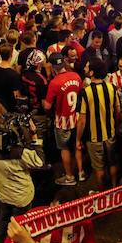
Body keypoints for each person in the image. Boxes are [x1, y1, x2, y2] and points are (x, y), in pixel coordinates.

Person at [0, 100, 45, 243]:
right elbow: (39, 161)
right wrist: (34, 136)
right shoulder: (17, 152)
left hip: (1, 192)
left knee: (4, 218)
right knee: (19, 226)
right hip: (21, 196)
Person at [76, 58, 120, 190]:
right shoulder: (111, 88)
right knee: (112, 163)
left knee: (99, 167)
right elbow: (117, 111)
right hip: (111, 134)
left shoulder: (86, 92)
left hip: (94, 138)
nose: (85, 68)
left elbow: (82, 120)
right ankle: (114, 187)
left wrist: (78, 139)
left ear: (92, 72)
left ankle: (102, 193)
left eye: (87, 66)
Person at [44, 52, 85, 185]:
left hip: (63, 121)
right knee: (77, 145)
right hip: (77, 118)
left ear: (52, 66)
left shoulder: (54, 83)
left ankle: (69, 177)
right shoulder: (76, 76)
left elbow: (47, 106)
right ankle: (81, 172)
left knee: (65, 149)